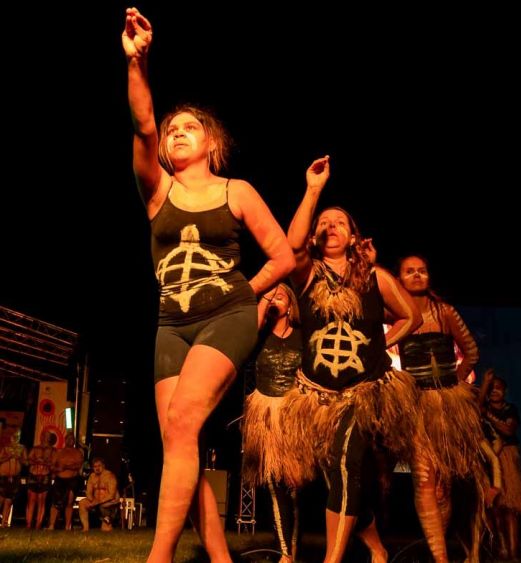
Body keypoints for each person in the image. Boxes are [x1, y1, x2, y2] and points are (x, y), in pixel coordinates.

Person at [122, 8, 294, 562]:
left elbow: (284, 255)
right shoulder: (157, 192)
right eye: (174, 128)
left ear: (210, 142)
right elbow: (144, 124)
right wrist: (138, 63)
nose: (175, 133)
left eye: (188, 127)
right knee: (178, 438)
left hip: (227, 315)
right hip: (170, 323)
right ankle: (218, 554)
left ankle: (159, 557)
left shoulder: (236, 190)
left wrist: (244, 293)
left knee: (183, 420)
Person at [282, 156, 421, 563]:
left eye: (339, 222)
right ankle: (377, 548)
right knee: (338, 478)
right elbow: (291, 245)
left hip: (360, 393)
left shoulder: (374, 278)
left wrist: (382, 344)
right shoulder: (305, 273)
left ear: (355, 235)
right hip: (315, 395)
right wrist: (313, 190)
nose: (330, 227)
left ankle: (332, 560)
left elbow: (411, 316)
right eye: (323, 222)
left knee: (347, 466)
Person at [396, 254, 487, 562]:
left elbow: (471, 351)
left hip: (447, 406)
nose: (417, 275)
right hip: (417, 406)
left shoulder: (444, 312)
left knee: (442, 488)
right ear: (400, 279)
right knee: (423, 478)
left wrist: (456, 383)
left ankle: (444, 543)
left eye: (422, 270)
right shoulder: (396, 314)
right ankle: (441, 558)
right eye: (409, 272)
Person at [241, 283, 308, 563]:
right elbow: (249, 327)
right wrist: (266, 299)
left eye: (281, 294)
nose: (275, 297)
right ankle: (285, 554)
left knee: (297, 488)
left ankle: (297, 548)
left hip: (297, 416)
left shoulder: (304, 337)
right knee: (275, 483)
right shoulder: (256, 336)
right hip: (267, 415)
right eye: (270, 295)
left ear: (291, 304)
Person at [479, 369, 521, 560]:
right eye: (491, 389)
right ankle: (501, 547)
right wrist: (484, 383)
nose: (494, 391)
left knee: (510, 507)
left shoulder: (510, 409)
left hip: (507, 458)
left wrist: (489, 416)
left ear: (505, 391)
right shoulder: (481, 408)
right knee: (494, 508)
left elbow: (508, 430)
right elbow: (477, 406)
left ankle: (513, 552)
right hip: (488, 460)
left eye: (498, 388)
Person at [48, 432, 84, 530]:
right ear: (65, 440)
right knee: (55, 502)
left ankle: (68, 526)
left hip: (72, 479)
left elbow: (78, 465)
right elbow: (52, 466)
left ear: (74, 441)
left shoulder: (77, 452)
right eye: (68, 439)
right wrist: (57, 469)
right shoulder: (59, 452)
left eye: (71, 439)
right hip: (60, 479)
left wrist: (66, 467)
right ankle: (51, 525)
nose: (69, 441)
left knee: (69, 502)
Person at [78, 458, 119, 532]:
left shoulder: (110, 476)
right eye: (95, 466)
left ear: (103, 466)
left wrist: (97, 502)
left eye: (99, 466)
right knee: (82, 503)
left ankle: (107, 523)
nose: (97, 468)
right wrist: (92, 500)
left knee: (105, 530)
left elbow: (111, 495)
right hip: (96, 501)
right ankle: (85, 528)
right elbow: (89, 492)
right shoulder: (92, 476)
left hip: (109, 503)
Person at [26, 433, 55, 529]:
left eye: (46, 436)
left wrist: (45, 462)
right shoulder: (35, 448)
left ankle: (38, 524)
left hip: (45, 475)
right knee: (31, 500)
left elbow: (54, 463)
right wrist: (36, 461)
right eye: (42, 436)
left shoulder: (52, 450)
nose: (44, 438)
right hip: (33, 474)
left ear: (49, 438)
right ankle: (29, 524)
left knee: (41, 500)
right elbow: (28, 460)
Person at [0, 429, 27, 527]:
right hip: (4, 476)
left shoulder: (22, 448)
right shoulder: (5, 448)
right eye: (14, 436)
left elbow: (26, 462)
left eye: (17, 436)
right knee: (1, 499)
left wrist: (19, 457)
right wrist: (8, 457)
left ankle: (4, 523)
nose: (15, 438)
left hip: (15, 477)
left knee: (9, 500)